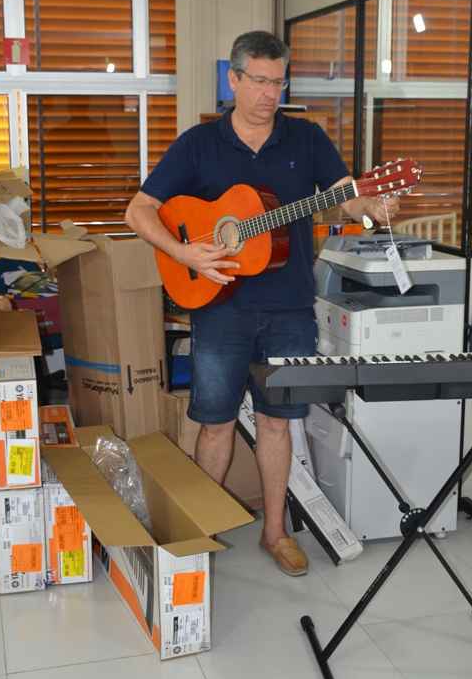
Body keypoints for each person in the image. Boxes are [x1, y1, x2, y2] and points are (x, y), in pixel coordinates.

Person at [126, 30, 398, 576]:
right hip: (219, 306)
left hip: (290, 306)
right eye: (259, 81)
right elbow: (139, 210)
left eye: (278, 82)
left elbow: (347, 201)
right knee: (215, 423)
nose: (269, 94)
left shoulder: (307, 140)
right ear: (234, 79)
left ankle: (275, 533)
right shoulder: (199, 144)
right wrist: (187, 252)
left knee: (278, 424)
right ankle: (200, 532)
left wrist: (373, 205)